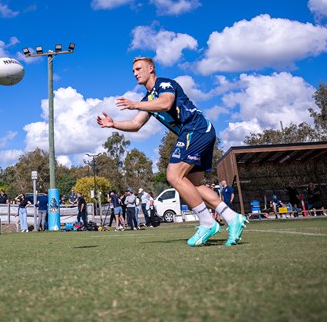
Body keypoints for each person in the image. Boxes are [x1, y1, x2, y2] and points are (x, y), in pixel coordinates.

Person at [97, 57, 247, 246]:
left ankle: (207, 222)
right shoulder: (148, 99)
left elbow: (166, 103)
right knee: (193, 185)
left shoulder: (165, 84)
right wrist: (114, 124)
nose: (135, 73)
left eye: (138, 69)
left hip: (196, 129)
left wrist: (134, 104)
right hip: (200, 132)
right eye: (133, 71)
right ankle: (233, 218)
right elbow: (136, 124)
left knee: (173, 175)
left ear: (151, 68)